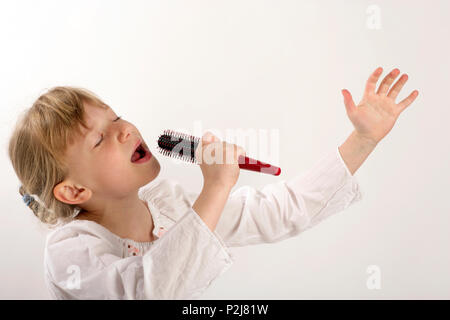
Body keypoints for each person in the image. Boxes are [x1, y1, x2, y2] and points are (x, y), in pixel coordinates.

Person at [7, 67, 418, 299]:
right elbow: (145, 289)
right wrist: (215, 189)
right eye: (99, 139)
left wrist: (362, 140)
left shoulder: (167, 204)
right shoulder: (71, 251)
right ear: (74, 191)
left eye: (115, 117)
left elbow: (278, 212)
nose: (124, 129)